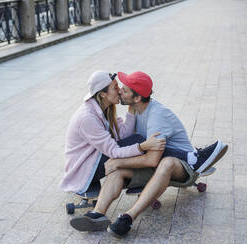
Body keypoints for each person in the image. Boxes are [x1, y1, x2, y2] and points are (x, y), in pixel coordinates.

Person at [69, 71, 228, 238]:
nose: (120, 91)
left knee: (165, 162)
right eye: (118, 88)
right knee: (118, 170)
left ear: (137, 98)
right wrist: (118, 162)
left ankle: (128, 217)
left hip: (182, 167)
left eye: (124, 89)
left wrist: (117, 162)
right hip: (154, 164)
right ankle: (97, 214)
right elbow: (130, 140)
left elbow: (152, 160)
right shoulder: (136, 109)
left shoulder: (157, 115)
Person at [61, 71, 193, 195]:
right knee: (140, 141)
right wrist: (143, 147)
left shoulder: (105, 108)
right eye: (115, 87)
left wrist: (132, 107)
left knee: (137, 139)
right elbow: (114, 152)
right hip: (84, 167)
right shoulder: (87, 118)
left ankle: (169, 167)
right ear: (103, 94)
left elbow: (123, 135)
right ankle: (181, 162)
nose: (119, 91)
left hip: (95, 156)